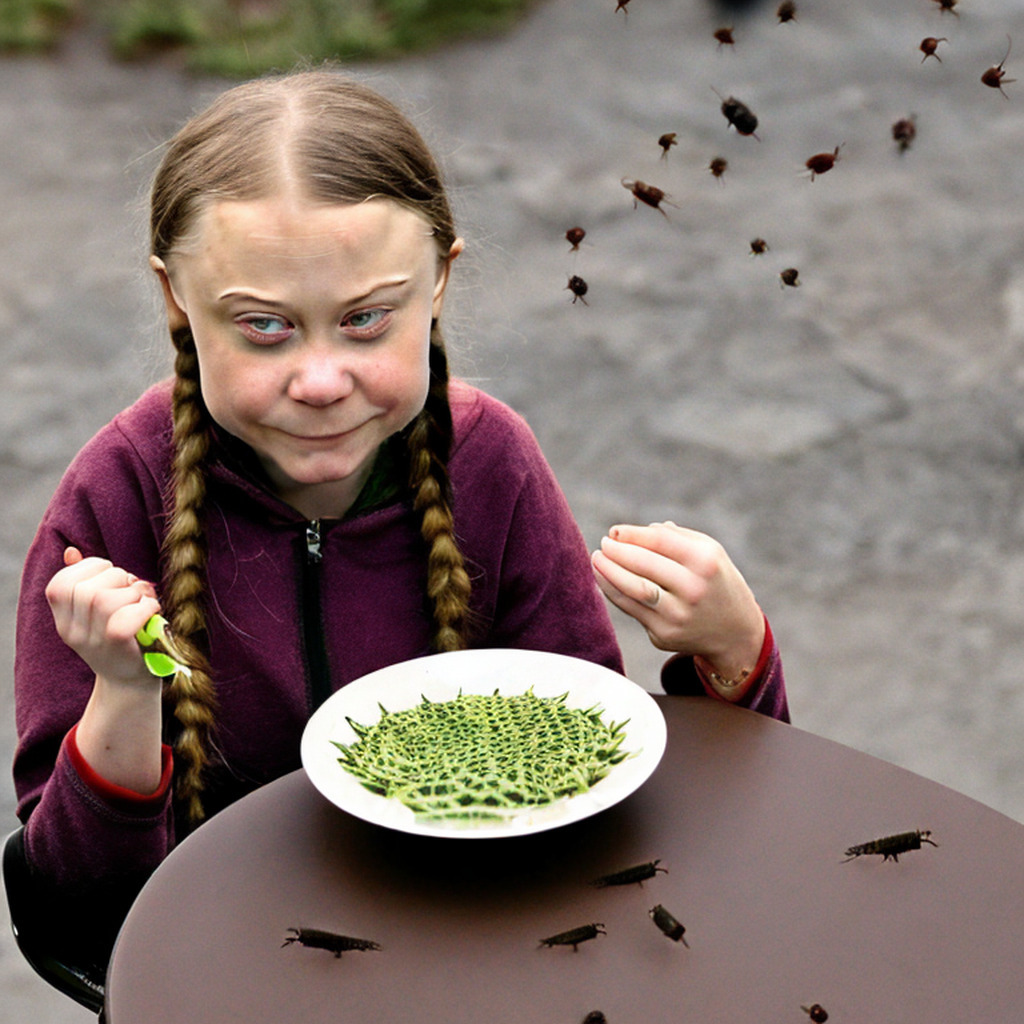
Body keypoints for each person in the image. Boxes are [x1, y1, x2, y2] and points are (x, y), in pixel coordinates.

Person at [12, 70, 787, 972]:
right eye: (265, 326)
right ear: (179, 300)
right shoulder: (112, 503)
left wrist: (733, 654)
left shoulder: (491, 465)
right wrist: (125, 690)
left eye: (367, 319)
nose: (321, 379)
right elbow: (77, 914)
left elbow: (603, 815)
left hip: (481, 971)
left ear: (439, 284)